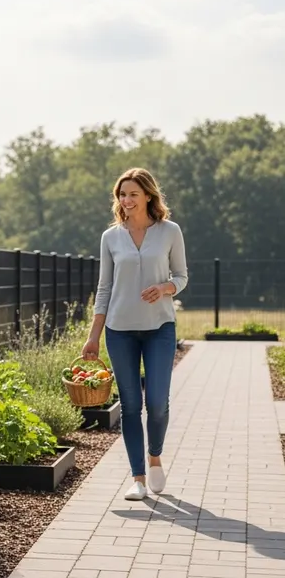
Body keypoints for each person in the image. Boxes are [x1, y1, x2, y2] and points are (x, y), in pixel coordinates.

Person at [82, 167, 187, 501]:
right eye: (122, 195)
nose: (126, 200)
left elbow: (182, 276)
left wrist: (165, 288)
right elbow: (104, 288)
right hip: (119, 330)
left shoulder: (170, 231)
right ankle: (138, 478)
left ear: (148, 195)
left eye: (133, 194)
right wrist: (93, 335)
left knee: (157, 403)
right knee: (130, 405)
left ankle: (155, 456)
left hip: (160, 328)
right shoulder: (111, 237)